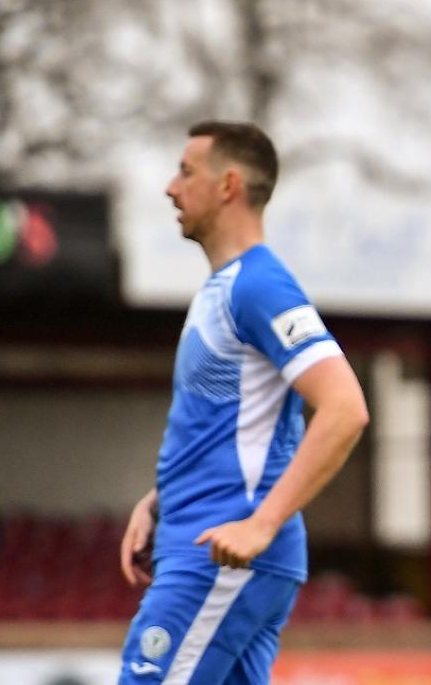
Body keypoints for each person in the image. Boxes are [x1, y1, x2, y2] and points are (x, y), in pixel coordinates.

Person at [117, 121, 370, 684]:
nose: (170, 188)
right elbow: (237, 426)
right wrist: (160, 501)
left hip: (219, 555)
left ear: (228, 185)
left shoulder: (257, 286)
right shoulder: (222, 290)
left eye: (186, 172)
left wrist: (261, 524)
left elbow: (344, 408)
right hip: (208, 543)